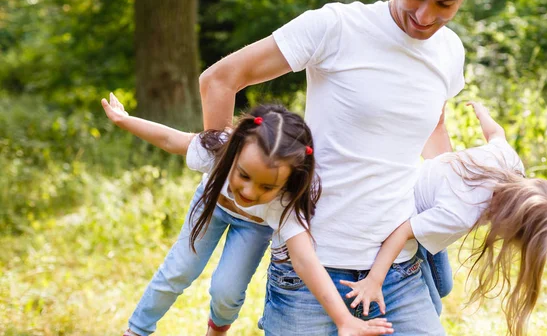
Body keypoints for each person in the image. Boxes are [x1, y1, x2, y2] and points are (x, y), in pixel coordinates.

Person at [198, 0, 484, 334]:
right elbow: (219, 79)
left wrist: (460, 193)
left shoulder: (450, 51)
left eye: (444, 4)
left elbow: (433, 128)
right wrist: (233, 182)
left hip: (398, 272)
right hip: (308, 272)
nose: (423, 15)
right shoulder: (336, 26)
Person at [101, 94, 393, 336]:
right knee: (179, 269)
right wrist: (124, 120)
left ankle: (216, 330)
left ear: (286, 183)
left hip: (253, 227)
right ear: (236, 152)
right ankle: (137, 330)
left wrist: (343, 319)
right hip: (211, 205)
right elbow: (169, 139)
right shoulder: (219, 149)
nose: (250, 193)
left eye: (266, 186)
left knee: (226, 290)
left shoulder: (283, 202)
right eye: (244, 175)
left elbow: (304, 261)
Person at [341, 101, 547, 336]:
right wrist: (374, 281)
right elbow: (403, 231)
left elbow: (496, 134)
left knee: (444, 286)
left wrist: (482, 112)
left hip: (433, 202)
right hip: (409, 214)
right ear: (512, 229)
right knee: (434, 303)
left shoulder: (511, 164)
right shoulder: (460, 214)